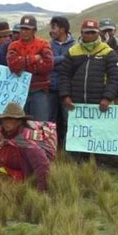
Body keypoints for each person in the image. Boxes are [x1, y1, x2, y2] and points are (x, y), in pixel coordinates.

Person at [58, 19, 118, 169]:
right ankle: (79, 161)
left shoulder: (107, 52)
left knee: (100, 132)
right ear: (81, 33)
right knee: (79, 133)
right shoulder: (73, 51)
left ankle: (101, 161)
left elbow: (115, 77)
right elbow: (64, 75)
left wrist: (107, 97)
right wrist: (65, 96)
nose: (89, 35)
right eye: (86, 32)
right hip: (77, 104)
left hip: (99, 102)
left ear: (98, 33)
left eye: (93, 32)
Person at [0, 103, 49, 191]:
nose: (6, 123)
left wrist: (41, 190)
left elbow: (41, 166)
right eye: (4, 119)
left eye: (10, 119)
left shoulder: (27, 142)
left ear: (19, 121)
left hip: (18, 182)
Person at [7, 15, 54, 121]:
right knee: (18, 124)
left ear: (34, 30)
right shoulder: (13, 46)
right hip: (18, 91)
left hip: (39, 91)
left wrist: (23, 64)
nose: (24, 32)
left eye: (28, 29)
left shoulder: (43, 44)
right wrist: (34, 58)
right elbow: (13, 66)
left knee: (40, 124)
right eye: (22, 29)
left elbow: (48, 65)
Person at [49, 16, 75, 148]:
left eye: (54, 27)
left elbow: (73, 64)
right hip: (50, 88)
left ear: (63, 29)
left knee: (68, 120)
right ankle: (52, 148)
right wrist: (64, 58)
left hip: (68, 90)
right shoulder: (48, 44)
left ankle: (68, 148)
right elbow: (47, 62)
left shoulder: (75, 45)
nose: (51, 31)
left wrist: (54, 61)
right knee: (50, 121)